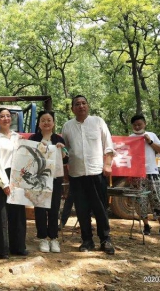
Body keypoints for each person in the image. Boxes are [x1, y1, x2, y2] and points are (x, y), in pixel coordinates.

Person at [61, 95, 115, 255]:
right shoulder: (67, 126)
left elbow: (109, 146)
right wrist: (65, 175)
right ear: (72, 109)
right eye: (77, 104)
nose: (81, 106)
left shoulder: (98, 122)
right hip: (76, 175)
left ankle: (105, 240)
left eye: (84, 103)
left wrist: (107, 164)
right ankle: (87, 240)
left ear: (88, 106)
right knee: (82, 209)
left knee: (100, 208)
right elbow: (63, 151)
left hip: (96, 172)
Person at [0, 108, 28, 259]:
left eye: (8, 116)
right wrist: (4, 183)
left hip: (17, 177)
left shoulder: (18, 137)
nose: (6, 118)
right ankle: (2, 248)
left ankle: (18, 246)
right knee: (1, 213)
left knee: (18, 212)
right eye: (2, 116)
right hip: (1, 176)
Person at [28, 111, 68, 253]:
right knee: (40, 208)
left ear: (53, 123)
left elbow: (66, 157)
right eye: (43, 120)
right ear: (39, 124)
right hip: (38, 179)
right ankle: (43, 238)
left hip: (55, 179)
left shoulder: (58, 139)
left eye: (49, 120)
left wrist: (61, 149)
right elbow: (27, 157)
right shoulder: (33, 138)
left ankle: (54, 238)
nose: (46, 122)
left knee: (54, 208)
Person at [130, 114, 160, 235]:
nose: (137, 127)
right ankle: (146, 226)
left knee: (157, 199)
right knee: (140, 201)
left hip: (152, 172)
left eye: (139, 124)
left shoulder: (151, 135)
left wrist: (150, 141)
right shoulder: (130, 138)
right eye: (135, 125)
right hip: (137, 175)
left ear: (144, 124)